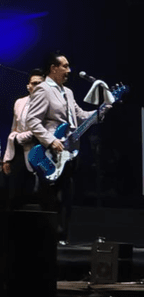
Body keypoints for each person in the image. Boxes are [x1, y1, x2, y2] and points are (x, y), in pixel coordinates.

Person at [26, 52, 93, 243]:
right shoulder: (44, 89)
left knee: (67, 199)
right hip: (51, 153)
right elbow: (32, 120)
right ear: (53, 68)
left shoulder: (68, 92)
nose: (69, 70)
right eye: (65, 66)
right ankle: (48, 240)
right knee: (50, 199)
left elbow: (80, 116)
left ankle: (63, 238)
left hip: (70, 152)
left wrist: (102, 110)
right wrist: (50, 140)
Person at [2, 69, 44, 210]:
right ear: (29, 86)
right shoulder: (19, 102)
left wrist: (20, 137)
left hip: (38, 152)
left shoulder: (47, 104)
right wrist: (7, 158)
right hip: (18, 152)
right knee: (14, 196)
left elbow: (41, 130)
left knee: (35, 195)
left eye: (40, 83)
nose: (37, 86)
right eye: (34, 83)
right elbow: (14, 129)